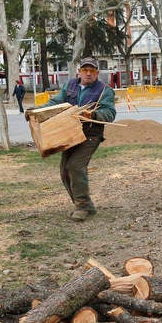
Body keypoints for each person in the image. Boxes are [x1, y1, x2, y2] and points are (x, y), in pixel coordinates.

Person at [41, 57, 116, 222]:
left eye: (92, 71)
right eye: (85, 70)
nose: (88, 74)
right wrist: (37, 111)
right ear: (79, 71)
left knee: (75, 166)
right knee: (64, 170)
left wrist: (93, 114)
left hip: (90, 135)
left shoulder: (105, 91)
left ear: (97, 73)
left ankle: (83, 206)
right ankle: (82, 204)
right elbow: (56, 102)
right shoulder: (70, 85)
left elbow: (110, 113)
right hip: (69, 133)